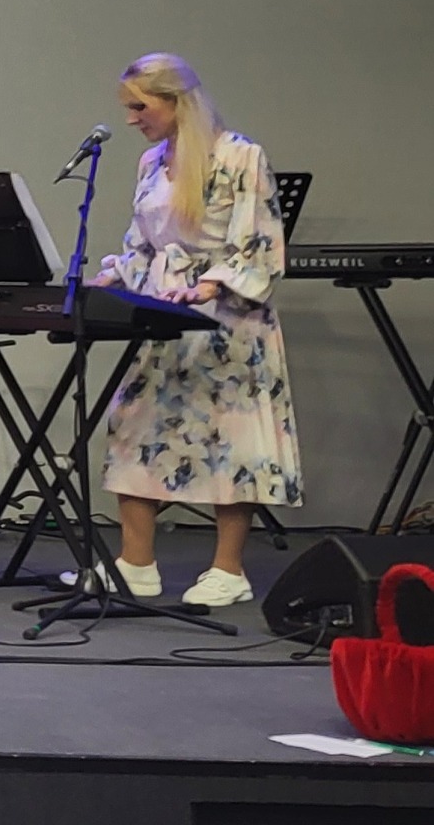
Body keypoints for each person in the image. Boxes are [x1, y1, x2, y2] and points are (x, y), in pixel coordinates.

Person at [90, 53, 298, 608]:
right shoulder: (151, 163)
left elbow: (258, 242)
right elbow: (142, 244)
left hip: (227, 320)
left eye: (140, 106)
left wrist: (209, 286)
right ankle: (136, 564)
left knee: (231, 437)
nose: (131, 118)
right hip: (162, 316)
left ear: (176, 102)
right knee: (135, 427)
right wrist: (113, 276)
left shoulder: (240, 156)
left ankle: (228, 570)